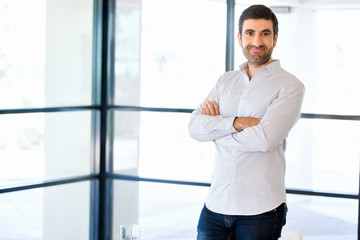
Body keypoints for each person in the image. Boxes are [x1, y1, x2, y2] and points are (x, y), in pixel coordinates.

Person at [188, 4, 305, 240]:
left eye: (265, 33)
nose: (257, 41)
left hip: (260, 209)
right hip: (215, 205)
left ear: (275, 38)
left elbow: (264, 140)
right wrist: (238, 123)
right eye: (250, 33)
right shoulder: (225, 81)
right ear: (240, 38)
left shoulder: (291, 86)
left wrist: (217, 132)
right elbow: (194, 127)